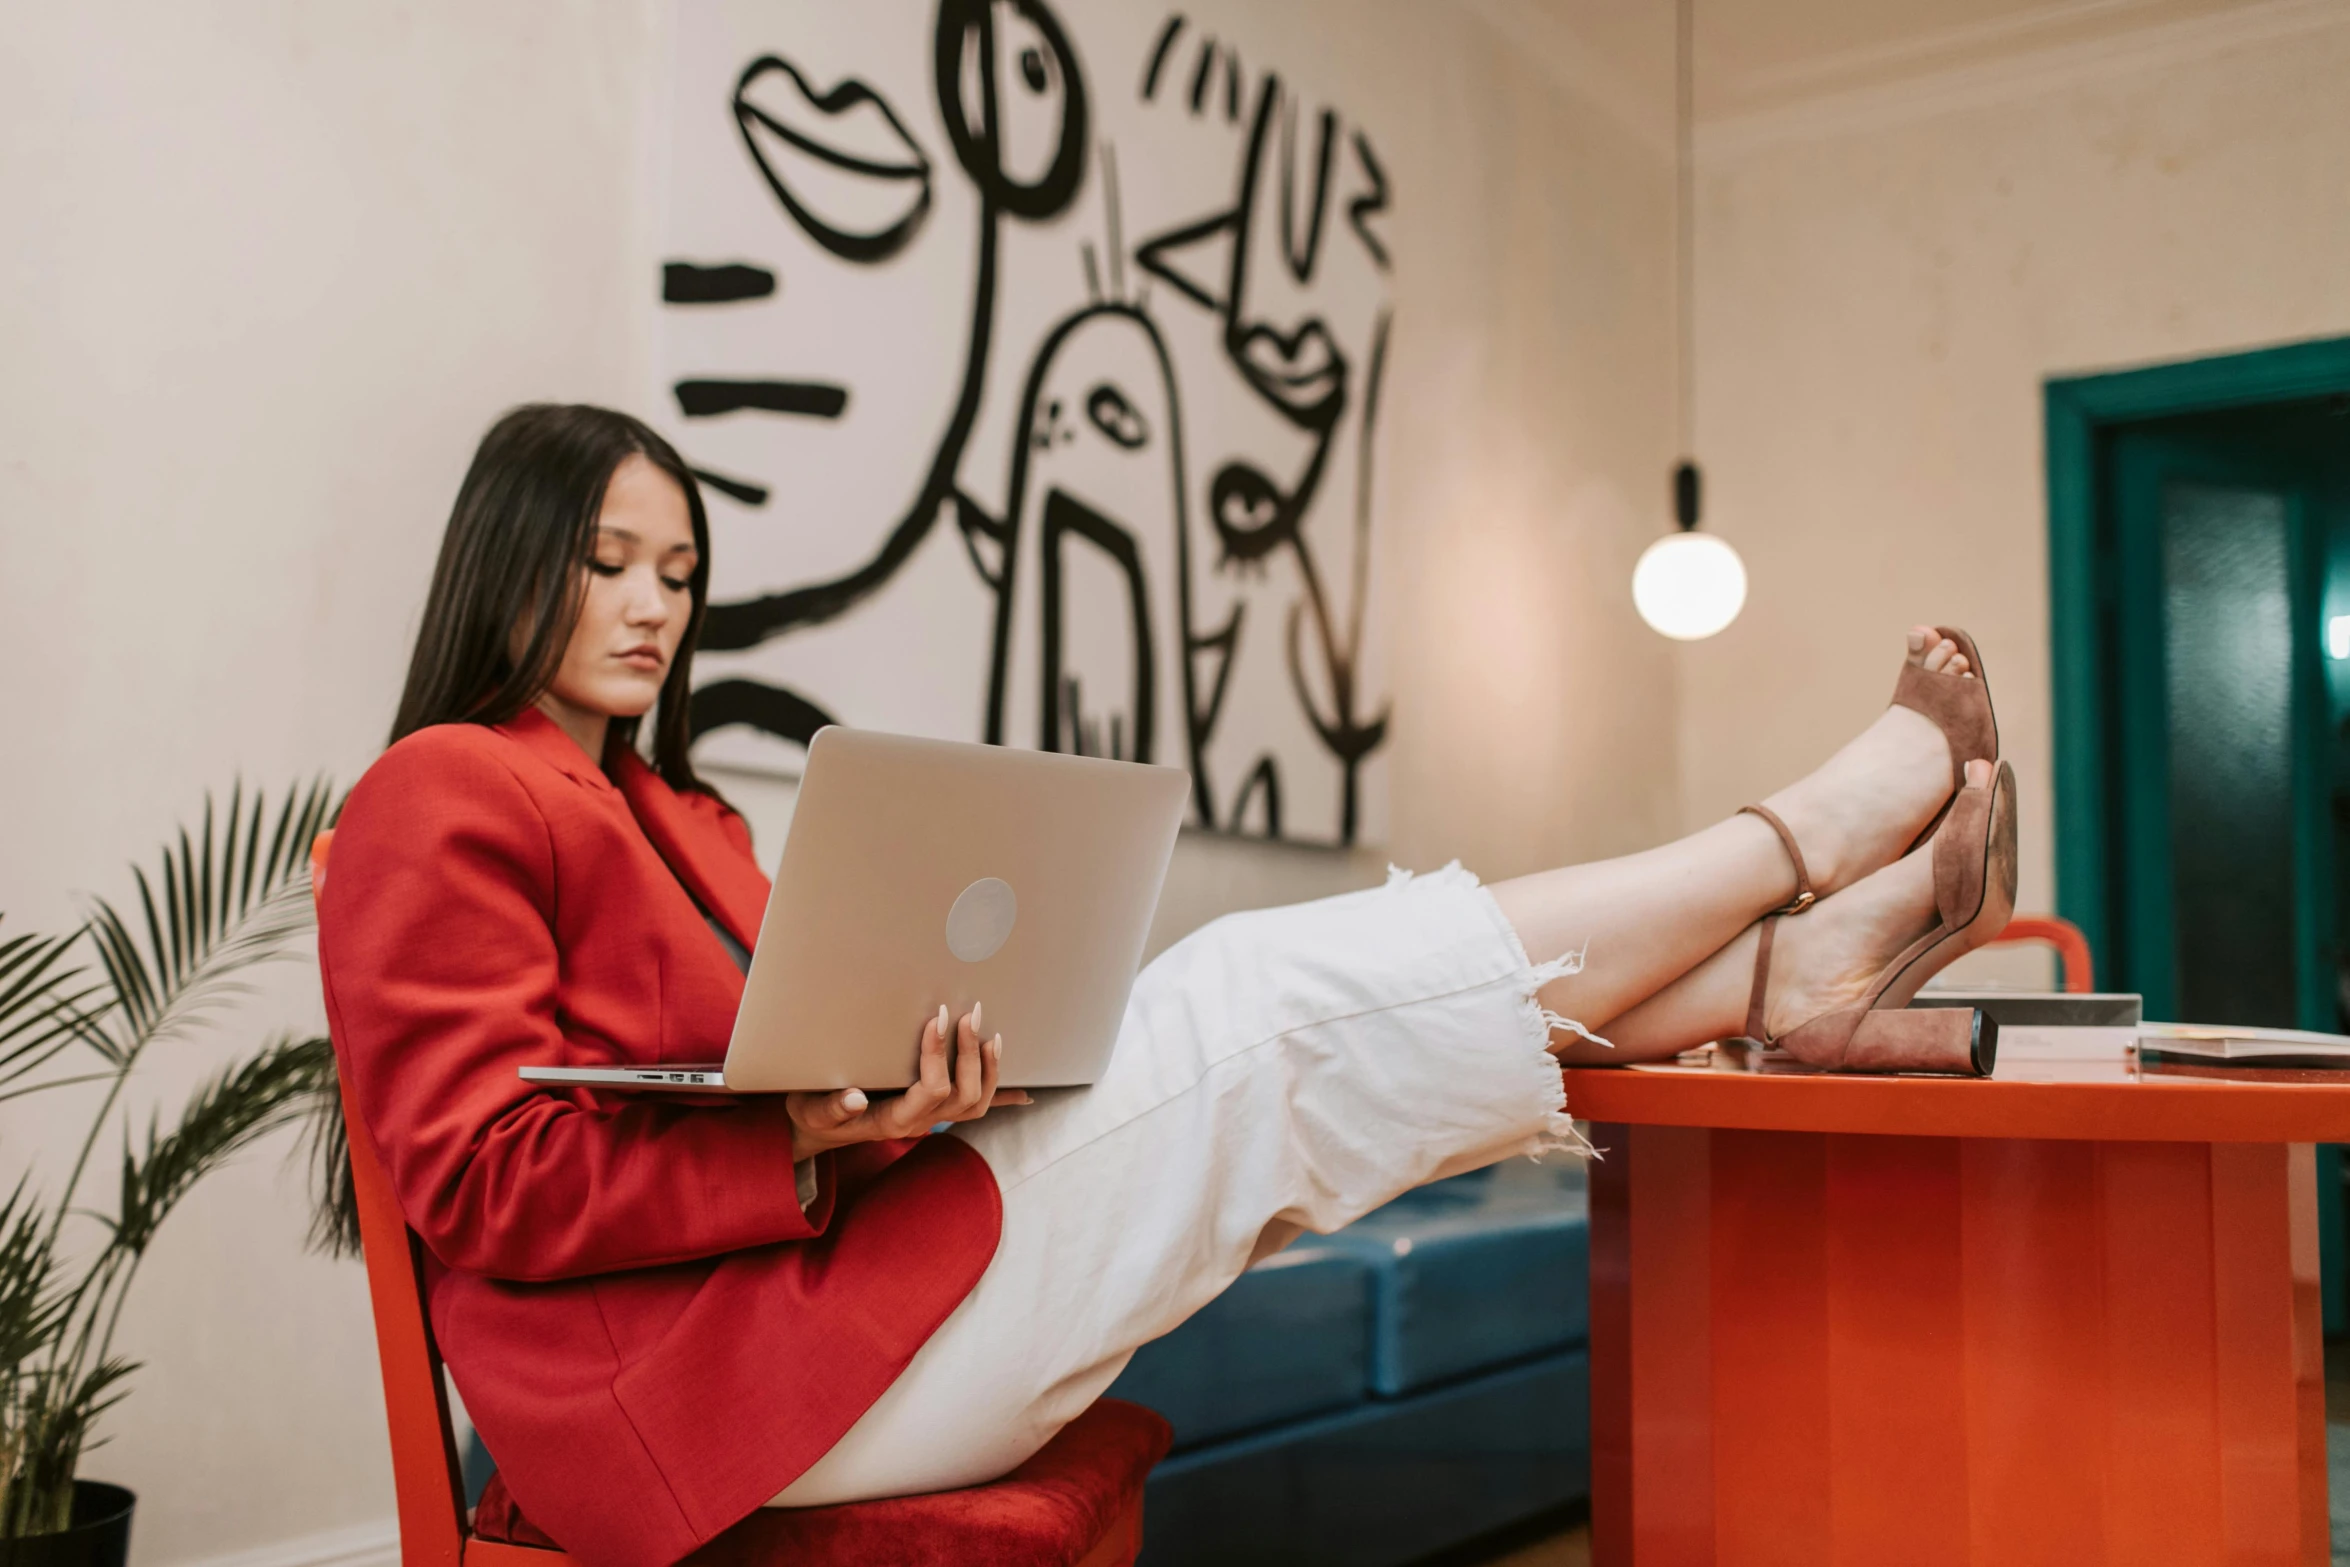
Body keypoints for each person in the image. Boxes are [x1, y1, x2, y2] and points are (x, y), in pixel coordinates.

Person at [316, 404, 2015, 1567]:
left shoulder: (681, 810)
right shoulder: (440, 789)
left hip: (817, 1304)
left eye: (678, 574)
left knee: (1266, 1055)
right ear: (513, 551)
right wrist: (806, 1146)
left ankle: (1773, 970)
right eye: (610, 560)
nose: (650, 607)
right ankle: (1801, 845)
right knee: (1250, 1005)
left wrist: (897, 1096)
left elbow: (781, 1077)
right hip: (694, 1402)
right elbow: (473, 1179)